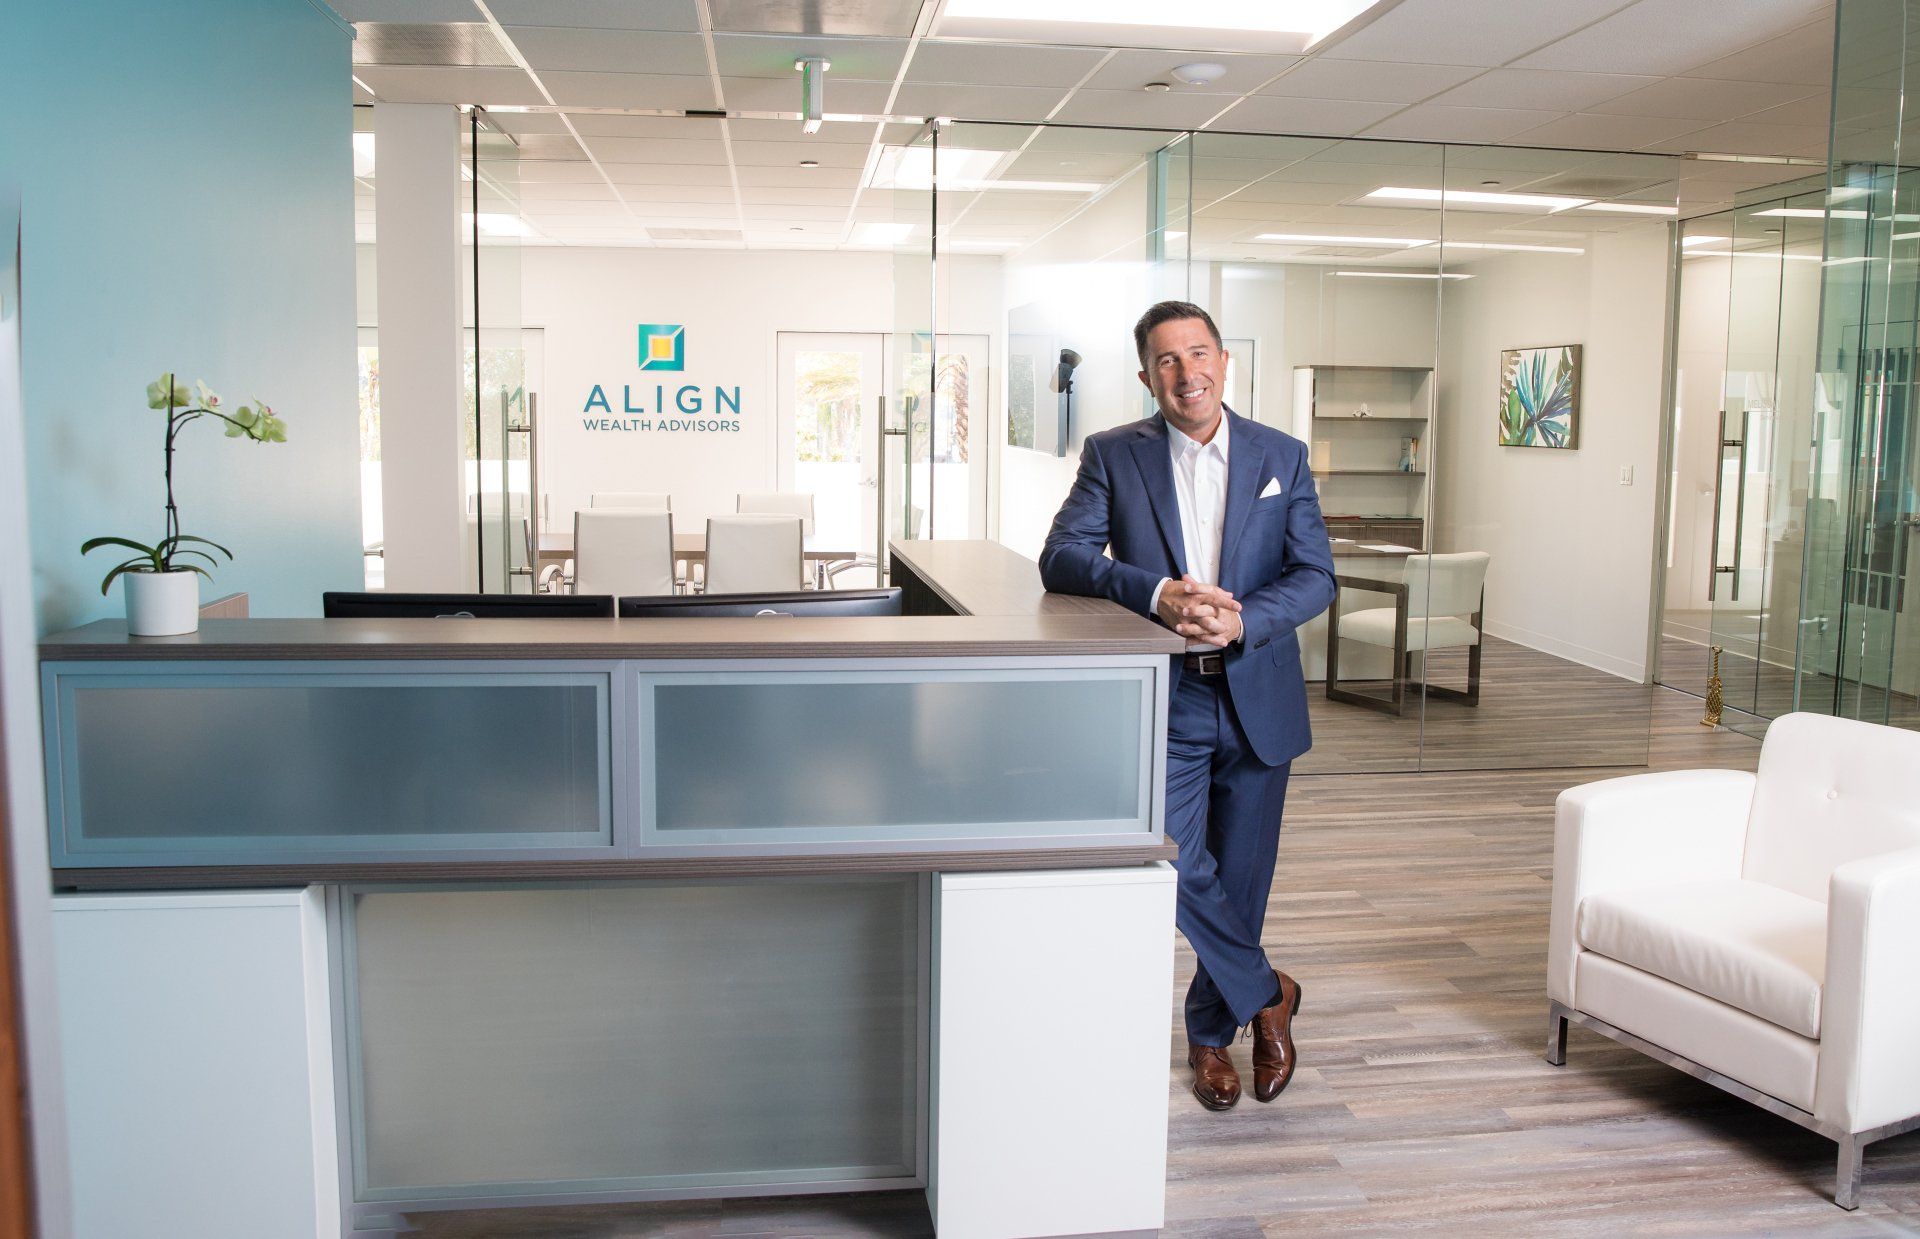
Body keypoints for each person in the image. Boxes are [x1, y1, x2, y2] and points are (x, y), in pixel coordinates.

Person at [1039, 300, 1336, 1111]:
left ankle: (1209, 1040)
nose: (1186, 373)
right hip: (1167, 697)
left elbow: (1315, 576)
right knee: (1170, 859)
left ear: (1224, 360)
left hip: (1257, 696)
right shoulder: (1114, 454)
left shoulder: (1283, 454)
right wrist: (1157, 593)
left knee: (1240, 883)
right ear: (1146, 376)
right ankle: (1268, 990)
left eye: (1198, 354)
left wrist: (1246, 617)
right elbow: (1060, 556)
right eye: (1166, 361)